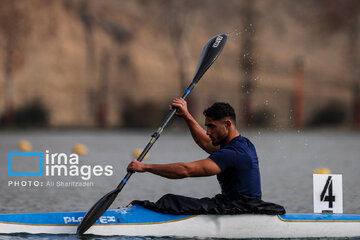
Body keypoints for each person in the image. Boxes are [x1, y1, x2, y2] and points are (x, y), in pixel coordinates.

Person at [127, 98, 285, 215]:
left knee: (170, 201)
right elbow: (207, 144)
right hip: (241, 205)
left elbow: (186, 171)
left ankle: (137, 217)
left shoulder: (231, 154)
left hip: (238, 209)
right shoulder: (244, 144)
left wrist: (145, 167)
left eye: (211, 126)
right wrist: (187, 116)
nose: (208, 131)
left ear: (227, 125)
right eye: (206, 126)